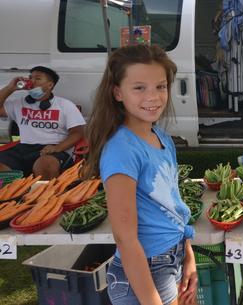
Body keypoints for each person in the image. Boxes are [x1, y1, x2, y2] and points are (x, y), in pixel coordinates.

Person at [81, 45, 197, 305]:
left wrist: (188, 256)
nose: (153, 96)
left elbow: (171, 207)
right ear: (117, 93)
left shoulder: (161, 138)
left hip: (171, 259)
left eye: (160, 86)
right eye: (139, 87)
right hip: (145, 271)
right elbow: (125, 237)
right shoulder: (122, 149)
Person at [0, 66, 85, 179]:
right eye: (30, 78)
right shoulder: (18, 103)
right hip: (23, 148)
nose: (32, 81)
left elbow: (77, 133)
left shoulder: (65, 105)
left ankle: (43, 195)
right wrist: (10, 88)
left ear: (50, 85)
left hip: (52, 149)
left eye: (38, 78)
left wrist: (58, 148)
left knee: (44, 166)